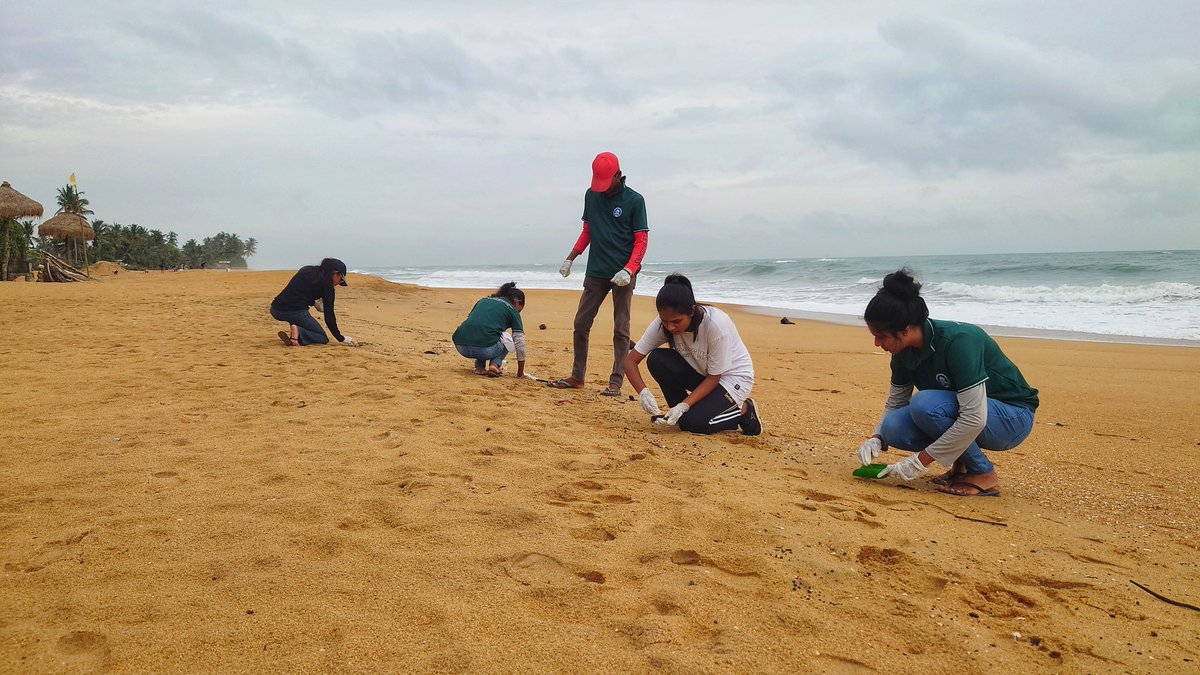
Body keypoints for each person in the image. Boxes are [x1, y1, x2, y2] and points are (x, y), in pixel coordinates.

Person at [857, 269, 1039, 496]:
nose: (876, 343)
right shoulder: (902, 352)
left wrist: (918, 462)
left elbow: (974, 418)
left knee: (926, 405)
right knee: (893, 427)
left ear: (905, 330)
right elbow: (896, 402)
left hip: (1012, 417)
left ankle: (984, 474)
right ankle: (961, 467)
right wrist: (877, 437)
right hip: (969, 413)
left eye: (881, 336)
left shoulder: (959, 342)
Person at [548, 151, 649, 396]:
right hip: (596, 271)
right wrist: (571, 257)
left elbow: (641, 240)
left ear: (618, 175)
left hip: (623, 273)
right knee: (581, 323)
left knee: (620, 328)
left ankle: (616, 381)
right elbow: (588, 230)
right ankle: (577, 376)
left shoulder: (635, 201)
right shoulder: (591, 195)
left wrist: (630, 269)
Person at [623, 274, 762, 436]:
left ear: (691, 311)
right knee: (657, 359)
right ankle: (684, 415)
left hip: (731, 380)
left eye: (676, 321)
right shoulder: (664, 324)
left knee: (693, 424)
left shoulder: (715, 325)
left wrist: (684, 406)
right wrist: (643, 393)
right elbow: (630, 361)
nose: (670, 327)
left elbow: (714, 377)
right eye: (664, 320)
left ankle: (743, 410)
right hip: (703, 374)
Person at [270, 258, 354, 346]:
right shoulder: (328, 286)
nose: (338, 283)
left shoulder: (306, 270)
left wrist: (313, 302)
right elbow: (329, 316)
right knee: (321, 337)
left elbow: (298, 290)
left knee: (298, 319)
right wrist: (340, 338)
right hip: (295, 312)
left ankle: (295, 333)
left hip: (275, 309)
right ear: (336, 273)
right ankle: (298, 332)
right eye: (341, 280)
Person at [452, 282, 527, 378]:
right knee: (506, 338)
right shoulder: (512, 310)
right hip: (484, 349)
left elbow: (475, 324)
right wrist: (520, 373)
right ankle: (494, 365)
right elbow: (520, 343)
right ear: (517, 301)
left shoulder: (483, 301)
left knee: (485, 332)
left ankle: (479, 368)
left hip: (460, 345)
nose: (518, 313)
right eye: (519, 310)